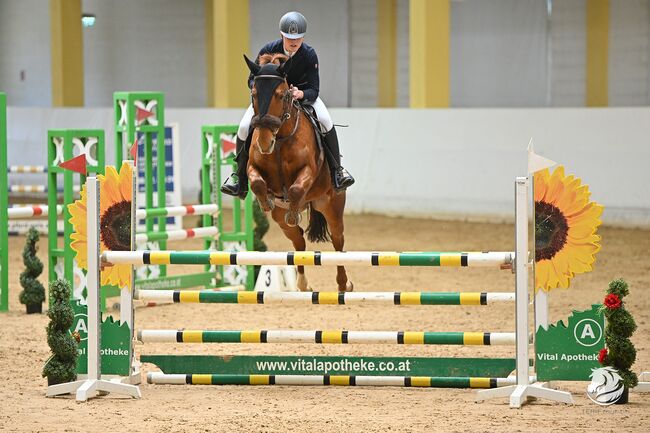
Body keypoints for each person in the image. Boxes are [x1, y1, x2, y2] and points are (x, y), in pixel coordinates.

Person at [221, 11, 355, 199]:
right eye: (290, 37)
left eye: (298, 38)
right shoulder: (268, 49)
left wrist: (300, 93)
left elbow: (314, 89)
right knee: (244, 127)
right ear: (282, 35)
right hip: (271, 100)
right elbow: (252, 79)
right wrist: (261, 89)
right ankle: (239, 179)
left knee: (325, 120)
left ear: (303, 37)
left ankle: (337, 172)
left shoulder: (309, 55)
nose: (294, 42)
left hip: (301, 97)